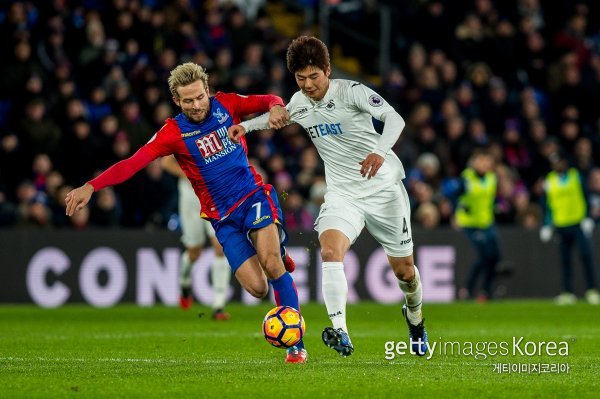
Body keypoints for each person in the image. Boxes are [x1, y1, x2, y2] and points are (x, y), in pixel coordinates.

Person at [65, 62, 307, 363]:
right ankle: (276, 249)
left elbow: (268, 99)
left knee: (272, 265)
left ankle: (296, 346)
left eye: (200, 97)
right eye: (188, 100)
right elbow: (134, 162)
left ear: (208, 91)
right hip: (222, 218)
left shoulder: (228, 104)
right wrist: (92, 186)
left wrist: (276, 107)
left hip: (253, 196)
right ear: (177, 101)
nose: (196, 105)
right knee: (257, 288)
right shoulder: (172, 132)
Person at [229, 36, 428, 357]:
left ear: (328, 71)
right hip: (342, 194)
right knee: (330, 251)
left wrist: (379, 152)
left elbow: (395, 118)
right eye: (300, 78)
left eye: (314, 77)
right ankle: (341, 331)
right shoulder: (299, 103)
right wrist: (245, 127)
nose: (307, 85)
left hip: (383, 190)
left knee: (405, 272)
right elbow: (277, 118)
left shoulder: (351, 92)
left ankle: (415, 316)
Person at [162, 155, 231, 319]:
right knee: (194, 252)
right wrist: (189, 175)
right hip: (191, 197)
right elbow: (166, 162)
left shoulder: (217, 130)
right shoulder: (183, 131)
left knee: (221, 247)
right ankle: (184, 283)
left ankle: (218, 305)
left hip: (214, 194)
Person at [539, 151, 600, 305]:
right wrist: (546, 224)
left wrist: (588, 218)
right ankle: (567, 292)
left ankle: (592, 290)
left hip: (578, 223)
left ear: (565, 162)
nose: (557, 165)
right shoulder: (549, 181)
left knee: (586, 257)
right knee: (565, 261)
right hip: (561, 225)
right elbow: (547, 205)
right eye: (554, 162)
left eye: (559, 161)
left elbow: (586, 196)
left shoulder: (576, 176)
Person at [451, 149, 501, 302]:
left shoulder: (492, 178)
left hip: (487, 222)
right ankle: (468, 289)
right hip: (470, 224)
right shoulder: (467, 178)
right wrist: (458, 211)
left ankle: (485, 290)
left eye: (487, 161)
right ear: (474, 162)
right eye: (481, 160)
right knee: (484, 256)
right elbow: (454, 196)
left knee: (495, 257)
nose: (485, 164)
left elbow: (491, 199)